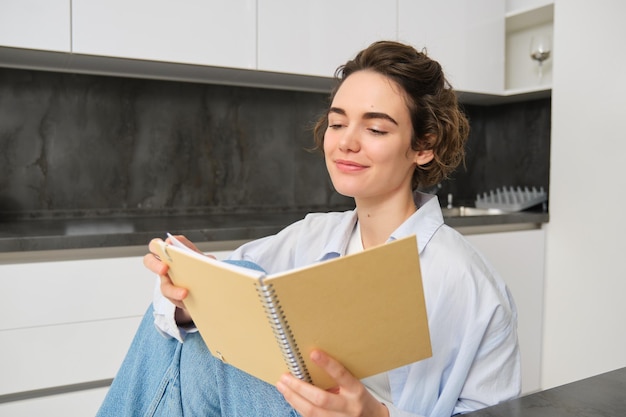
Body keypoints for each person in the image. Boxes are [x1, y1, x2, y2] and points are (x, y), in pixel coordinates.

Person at [97, 40, 521, 417]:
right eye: (338, 123)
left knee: (205, 353)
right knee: (198, 323)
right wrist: (192, 292)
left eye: (375, 128)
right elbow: (208, 304)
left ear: (423, 146)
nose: (346, 142)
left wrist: (377, 416)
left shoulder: (471, 285)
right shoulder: (312, 235)